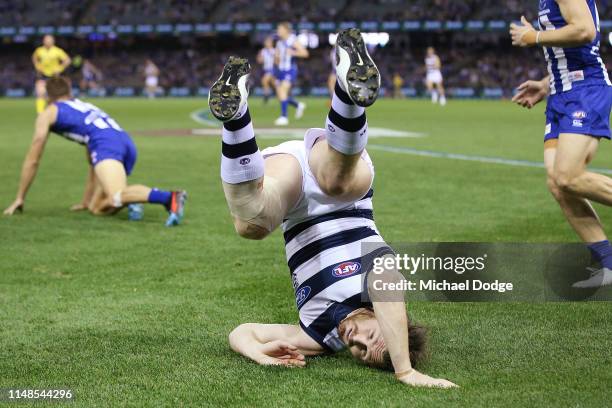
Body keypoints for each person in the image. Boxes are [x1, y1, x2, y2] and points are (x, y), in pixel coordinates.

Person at [208, 29, 456, 388]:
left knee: (251, 222)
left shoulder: (321, 335)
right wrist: (405, 371)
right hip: (345, 184)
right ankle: (347, 89)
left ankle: (236, 117)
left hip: (293, 195)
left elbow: (242, 333)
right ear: (383, 319)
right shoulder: (378, 282)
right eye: (371, 338)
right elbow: (389, 286)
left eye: (358, 351)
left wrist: (258, 352)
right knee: (335, 182)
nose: (355, 340)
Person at [510, 0, 612, 288]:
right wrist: (545, 84)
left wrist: (535, 37)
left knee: (569, 175)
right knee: (558, 183)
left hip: (585, 91)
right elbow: (569, 50)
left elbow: (584, 31)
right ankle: (609, 263)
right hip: (560, 93)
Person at [3, 77, 187, 227]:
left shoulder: (49, 113)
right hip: (123, 141)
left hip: (106, 146)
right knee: (97, 207)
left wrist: (20, 197)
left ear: (47, 96)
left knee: (116, 194)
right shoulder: (82, 105)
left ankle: (170, 198)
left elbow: (33, 158)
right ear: (69, 92)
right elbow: (91, 154)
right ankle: (133, 199)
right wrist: (85, 200)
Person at [273, 22, 308, 126]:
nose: (278, 31)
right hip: (280, 70)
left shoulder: (293, 40)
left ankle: (284, 117)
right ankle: (298, 105)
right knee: (280, 95)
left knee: (283, 91)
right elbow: (277, 57)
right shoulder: (279, 42)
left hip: (290, 70)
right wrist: (276, 59)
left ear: (286, 30)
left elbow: (305, 53)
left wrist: (293, 52)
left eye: (279, 29)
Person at [32, 35, 71, 113]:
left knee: (54, 96)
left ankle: (54, 112)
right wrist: (37, 66)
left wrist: (60, 68)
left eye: (49, 40)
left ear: (53, 41)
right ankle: (40, 113)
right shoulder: (39, 50)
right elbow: (34, 58)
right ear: (43, 41)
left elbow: (67, 60)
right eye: (46, 40)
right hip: (43, 75)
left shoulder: (57, 51)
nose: (48, 42)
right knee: (40, 92)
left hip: (54, 76)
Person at [257, 37, 276, 104]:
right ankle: (282, 94)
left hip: (272, 69)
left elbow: (277, 60)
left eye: (268, 42)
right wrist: (260, 58)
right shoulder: (263, 51)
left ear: (271, 43)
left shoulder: (274, 50)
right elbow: (259, 61)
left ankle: (266, 96)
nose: (267, 44)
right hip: (265, 70)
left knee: (264, 81)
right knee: (274, 84)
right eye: (266, 42)